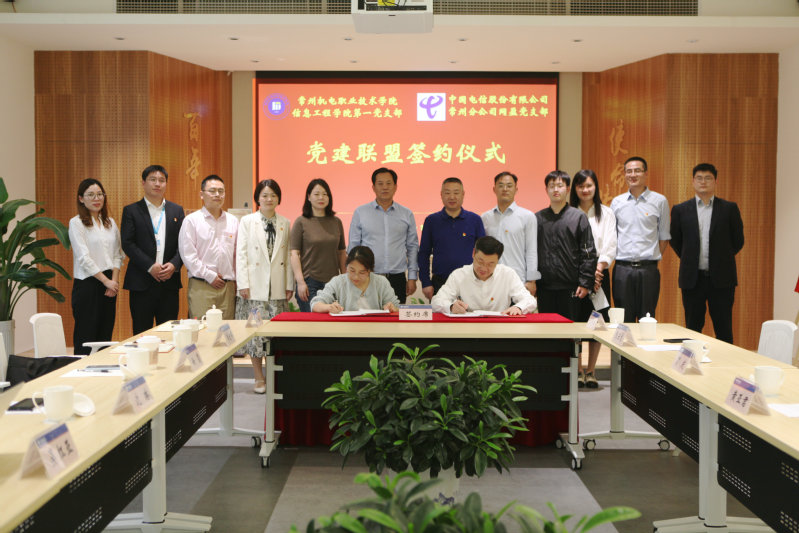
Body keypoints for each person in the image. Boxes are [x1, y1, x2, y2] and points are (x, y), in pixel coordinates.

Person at [670, 163, 744, 344]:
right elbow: (676, 241)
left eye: (708, 178)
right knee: (692, 328)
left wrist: (720, 258)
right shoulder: (680, 210)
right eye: (699, 178)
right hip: (692, 279)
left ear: (715, 181)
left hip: (722, 279)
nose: (703, 182)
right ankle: (693, 360)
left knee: (724, 329)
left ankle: (725, 361)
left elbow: (738, 241)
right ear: (693, 181)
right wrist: (690, 258)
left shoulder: (729, 209)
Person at [236, 179, 294, 393]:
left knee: (275, 335)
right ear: (257, 198)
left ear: (278, 198)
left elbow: (288, 258)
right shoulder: (247, 222)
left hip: (277, 288)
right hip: (254, 289)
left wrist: (289, 284)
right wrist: (243, 283)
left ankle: (273, 375)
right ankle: (258, 377)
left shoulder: (285, 222)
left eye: (273, 195)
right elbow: (241, 254)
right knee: (255, 334)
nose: (269, 199)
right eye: (265, 195)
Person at [121, 165, 185, 334]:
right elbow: (127, 243)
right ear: (143, 183)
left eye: (162, 180)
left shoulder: (176, 210)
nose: (157, 184)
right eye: (153, 179)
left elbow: (183, 244)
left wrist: (174, 264)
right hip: (141, 282)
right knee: (142, 333)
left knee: (169, 333)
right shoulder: (131, 211)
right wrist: (150, 266)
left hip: (169, 281)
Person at [610, 156, 670, 323]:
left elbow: (664, 237)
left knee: (647, 319)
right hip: (622, 269)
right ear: (624, 174)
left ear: (646, 173)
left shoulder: (660, 201)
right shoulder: (617, 202)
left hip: (648, 270)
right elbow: (612, 236)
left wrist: (650, 258)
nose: (633, 174)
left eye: (637, 170)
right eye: (629, 171)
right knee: (623, 320)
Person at [68, 179, 124, 355]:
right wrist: (106, 281)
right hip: (88, 284)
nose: (96, 198)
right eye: (90, 195)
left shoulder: (110, 223)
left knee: (105, 336)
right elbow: (83, 258)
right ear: (81, 198)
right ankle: (82, 370)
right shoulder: (76, 223)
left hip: (109, 286)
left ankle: (102, 370)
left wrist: (114, 283)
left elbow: (118, 255)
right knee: (86, 337)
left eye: (99, 194)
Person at [570, 169, 615, 388]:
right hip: (575, 274)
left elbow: (611, 244)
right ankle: (579, 371)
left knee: (596, 322)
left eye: (589, 185)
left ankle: (591, 371)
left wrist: (597, 270)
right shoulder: (570, 212)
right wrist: (585, 273)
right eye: (580, 186)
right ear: (575, 189)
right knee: (577, 321)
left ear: (595, 187)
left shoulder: (606, 213)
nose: (585, 190)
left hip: (599, 272)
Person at [535, 170, 597, 326]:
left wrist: (585, 282)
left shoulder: (578, 217)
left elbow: (588, 252)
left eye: (560, 186)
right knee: (545, 330)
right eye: (551, 186)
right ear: (546, 190)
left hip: (571, 286)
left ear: (568, 189)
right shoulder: (537, 218)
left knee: (569, 331)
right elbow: (531, 252)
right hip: (544, 287)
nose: (555, 190)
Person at [348, 168, 418, 304]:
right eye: (380, 183)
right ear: (373, 187)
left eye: (388, 183)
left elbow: (412, 247)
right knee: (368, 315)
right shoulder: (361, 212)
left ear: (395, 187)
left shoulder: (406, 214)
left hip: (397, 278)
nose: (384, 187)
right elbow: (353, 247)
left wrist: (412, 277)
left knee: (395, 316)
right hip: (367, 277)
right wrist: (352, 275)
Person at [178, 175, 238, 321]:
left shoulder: (233, 221)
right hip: (202, 285)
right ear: (202, 194)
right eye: (212, 191)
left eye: (221, 191)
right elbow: (188, 255)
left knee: (227, 330)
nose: (217, 194)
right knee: (202, 329)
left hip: (227, 287)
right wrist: (210, 276)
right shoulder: (192, 221)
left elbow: (237, 255)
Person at [431, 236, 537, 315]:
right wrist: (451, 307)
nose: (484, 268)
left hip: (500, 328)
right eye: (480, 262)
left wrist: (518, 307)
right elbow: (436, 301)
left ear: (498, 261)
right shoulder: (459, 275)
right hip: (468, 328)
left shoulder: (508, 274)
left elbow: (530, 300)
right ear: (473, 253)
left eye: (490, 264)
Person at [418, 177, 486, 300]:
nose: (452, 197)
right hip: (440, 282)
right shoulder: (431, 221)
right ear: (441, 195)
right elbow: (424, 253)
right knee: (441, 312)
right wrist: (426, 282)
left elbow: (483, 254)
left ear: (463, 194)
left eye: (456, 192)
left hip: (470, 281)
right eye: (447, 193)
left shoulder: (475, 220)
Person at [290, 179, 347, 312]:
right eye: (316, 194)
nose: (321, 197)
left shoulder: (336, 222)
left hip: (333, 282)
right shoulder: (301, 222)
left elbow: (341, 252)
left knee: (332, 319)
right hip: (310, 282)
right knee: (313, 321)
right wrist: (300, 282)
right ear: (309, 197)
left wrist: (345, 280)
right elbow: (294, 254)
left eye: (325, 194)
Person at [481, 171, 540, 295]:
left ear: (516, 189)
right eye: (501, 185)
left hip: (518, 281)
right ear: (494, 189)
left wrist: (532, 280)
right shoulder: (485, 217)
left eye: (509, 185)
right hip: (490, 280)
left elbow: (531, 250)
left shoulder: (527, 216)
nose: (505, 189)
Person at [310, 246, 400, 313]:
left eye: (362, 272)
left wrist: (392, 307)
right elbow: (315, 304)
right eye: (352, 270)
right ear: (346, 266)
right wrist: (329, 307)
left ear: (370, 270)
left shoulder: (381, 282)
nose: (356, 277)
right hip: (345, 329)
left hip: (376, 330)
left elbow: (396, 307)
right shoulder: (338, 282)